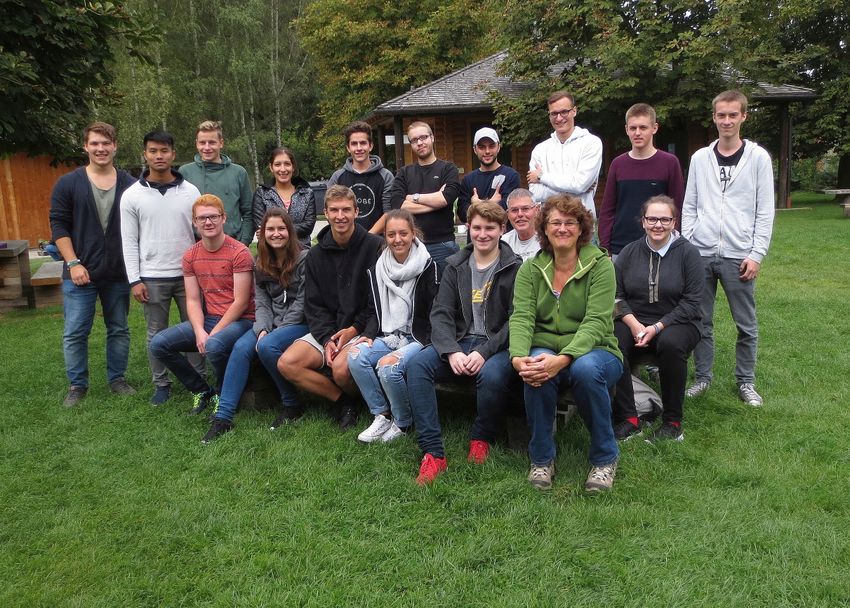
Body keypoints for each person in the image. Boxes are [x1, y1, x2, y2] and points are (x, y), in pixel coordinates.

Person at [510, 194, 623, 492]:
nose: (562, 228)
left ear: (581, 228)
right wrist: (519, 357)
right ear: (544, 229)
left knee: (585, 370)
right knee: (536, 369)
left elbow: (597, 322)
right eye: (555, 222)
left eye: (570, 222)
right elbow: (522, 317)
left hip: (599, 350)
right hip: (546, 345)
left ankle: (604, 458)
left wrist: (564, 359)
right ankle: (542, 458)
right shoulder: (531, 269)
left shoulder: (601, 266)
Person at [407, 201, 522, 484]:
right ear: (468, 228)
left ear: (502, 230)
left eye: (490, 228)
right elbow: (441, 312)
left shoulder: (515, 267)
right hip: (458, 341)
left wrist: (484, 352)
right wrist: (451, 351)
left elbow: (516, 319)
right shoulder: (455, 265)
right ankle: (433, 452)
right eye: (477, 228)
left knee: (493, 375)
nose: (483, 234)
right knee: (417, 366)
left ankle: (481, 437)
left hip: (495, 346)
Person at [681, 90, 775, 406]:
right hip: (702, 253)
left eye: (733, 115)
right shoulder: (699, 158)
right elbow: (690, 204)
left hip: (740, 256)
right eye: (721, 115)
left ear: (743, 117)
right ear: (714, 117)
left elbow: (765, 209)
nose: (726, 121)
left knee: (745, 325)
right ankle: (703, 378)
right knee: (701, 322)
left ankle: (746, 382)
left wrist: (756, 253)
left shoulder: (758, 158)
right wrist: (691, 244)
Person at [277, 185, 383, 430]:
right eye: (334, 210)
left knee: (341, 370)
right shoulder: (315, 255)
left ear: (357, 211)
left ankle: (363, 400)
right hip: (328, 331)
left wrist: (353, 330)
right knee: (287, 363)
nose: (340, 216)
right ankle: (343, 401)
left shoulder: (374, 247)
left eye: (346, 209)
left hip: (362, 329)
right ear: (325, 212)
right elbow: (313, 305)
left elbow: (377, 302)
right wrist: (326, 340)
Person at [48, 121, 136, 406]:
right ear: (85, 146)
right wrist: (73, 262)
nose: (101, 148)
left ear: (115, 146)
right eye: (95, 143)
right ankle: (77, 385)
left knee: (119, 328)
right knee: (75, 331)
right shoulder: (68, 183)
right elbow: (59, 225)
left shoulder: (129, 185)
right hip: (79, 272)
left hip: (118, 272)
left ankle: (117, 379)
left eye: (106, 143)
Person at [202, 208, 308, 443]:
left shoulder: (304, 259)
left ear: (289, 232)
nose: (276, 233)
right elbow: (261, 302)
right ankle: (224, 417)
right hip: (269, 325)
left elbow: (302, 303)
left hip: (299, 324)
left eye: (281, 228)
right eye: (271, 229)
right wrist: (262, 328)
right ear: (263, 233)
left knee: (267, 346)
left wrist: (275, 332)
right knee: (241, 348)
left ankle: (291, 404)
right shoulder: (260, 262)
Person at [149, 194, 255, 415]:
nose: (208, 222)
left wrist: (213, 333)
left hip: (242, 320)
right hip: (209, 319)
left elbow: (241, 301)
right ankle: (202, 390)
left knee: (215, 345)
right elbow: (193, 299)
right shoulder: (190, 256)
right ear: (194, 222)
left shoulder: (239, 253)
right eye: (202, 218)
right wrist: (199, 331)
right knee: (159, 344)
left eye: (214, 217)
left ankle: (223, 393)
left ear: (224, 218)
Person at [121, 130, 204, 406]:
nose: (159, 156)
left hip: (188, 274)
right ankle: (162, 384)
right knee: (156, 333)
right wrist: (135, 280)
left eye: (164, 151)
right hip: (152, 276)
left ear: (173, 154)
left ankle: (198, 381)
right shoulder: (132, 196)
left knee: (194, 327)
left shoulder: (190, 191)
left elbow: (201, 233)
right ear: (145, 154)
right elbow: (128, 240)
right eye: (153, 151)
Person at [611, 196, 703, 442]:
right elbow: (616, 296)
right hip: (634, 320)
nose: (658, 225)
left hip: (679, 322)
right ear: (643, 222)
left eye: (665, 219)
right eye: (652, 218)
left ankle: (672, 422)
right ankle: (629, 417)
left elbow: (693, 302)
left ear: (674, 222)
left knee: (671, 344)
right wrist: (634, 324)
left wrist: (657, 327)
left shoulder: (689, 254)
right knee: (612, 341)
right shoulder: (629, 252)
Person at [347, 210, 439, 443]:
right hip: (390, 334)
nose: (397, 239)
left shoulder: (429, 266)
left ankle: (403, 422)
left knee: (389, 366)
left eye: (403, 233)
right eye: (391, 234)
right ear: (385, 237)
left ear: (413, 234)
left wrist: (422, 342)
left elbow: (436, 313)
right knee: (356, 354)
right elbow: (374, 308)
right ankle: (381, 415)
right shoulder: (379, 266)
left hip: (420, 338)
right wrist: (368, 334)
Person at [598, 103, 685, 257]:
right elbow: (607, 210)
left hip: (660, 246)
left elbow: (677, 207)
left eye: (643, 127)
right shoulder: (618, 164)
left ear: (654, 128)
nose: (637, 133)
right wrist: (605, 247)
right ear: (626, 130)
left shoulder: (670, 163)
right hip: (621, 248)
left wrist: (674, 243)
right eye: (633, 128)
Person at [389, 121, 461, 273]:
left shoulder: (448, 169)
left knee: (446, 294)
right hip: (412, 246)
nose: (420, 143)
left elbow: (446, 198)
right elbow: (397, 205)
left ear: (432, 138)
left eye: (423, 137)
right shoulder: (404, 173)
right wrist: (435, 201)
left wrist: (412, 198)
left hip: (443, 245)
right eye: (414, 140)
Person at [527, 91, 603, 218]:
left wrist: (542, 177)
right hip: (549, 223)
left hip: (582, 223)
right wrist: (576, 190)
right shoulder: (540, 150)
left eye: (564, 112)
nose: (559, 118)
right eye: (554, 113)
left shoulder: (591, 143)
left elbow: (580, 184)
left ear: (574, 111)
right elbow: (535, 193)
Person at [179, 120, 253, 245]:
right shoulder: (185, 172)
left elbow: (248, 212)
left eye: (212, 142)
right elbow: (181, 213)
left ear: (221, 143)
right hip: (197, 247)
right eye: (202, 143)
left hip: (233, 245)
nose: (207, 147)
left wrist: (244, 242)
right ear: (196, 144)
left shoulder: (238, 172)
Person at [326, 121, 394, 234]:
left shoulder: (386, 176)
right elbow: (331, 211)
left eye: (363, 143)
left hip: (376, 241)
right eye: (354, 144)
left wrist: (366, 238)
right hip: (346, 240)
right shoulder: (337, 177)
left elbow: (389, 213)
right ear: (348, 147)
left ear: (370, 145)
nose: (359, 148)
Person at [253, 147, 316, 248]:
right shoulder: (262, 193)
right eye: (277, 164)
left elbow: (308, 226)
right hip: (270, 253)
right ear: (271, 167)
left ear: (293, 167)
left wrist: (276, 229)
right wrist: (292, 229)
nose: (283, 169)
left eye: (287, 164)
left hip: (301, 252)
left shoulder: (307, 193)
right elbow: (261, 227)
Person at [457, 127, 520, 221]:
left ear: (498, 147)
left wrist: (476, 205)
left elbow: (509, 208)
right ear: (475, 149)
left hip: (503, 235)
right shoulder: (468, 180)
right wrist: (492, 203)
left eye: (491, 146)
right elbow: (462, 213)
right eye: (481, 147)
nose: (487, 151)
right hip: (476, 235)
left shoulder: (511, 176)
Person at [501, 188, 541, 261]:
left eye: (525, 209)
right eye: (514, 210)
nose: (520, 214)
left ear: (537, 210)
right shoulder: (504, 243)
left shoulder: (548, 240)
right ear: (508, 214)